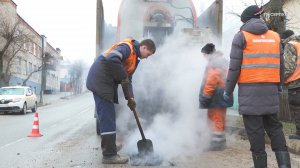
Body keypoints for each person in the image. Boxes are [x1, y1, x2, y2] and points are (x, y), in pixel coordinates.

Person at [223, 5, 291, 168]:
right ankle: (284, 165)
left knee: (255, 133)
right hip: (270, 92)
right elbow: (280, 64)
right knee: (275, 129)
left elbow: (234, 68)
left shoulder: (241, 37)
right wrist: (280, 84)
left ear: (245, 21)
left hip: (249, 94)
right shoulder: (275, 37)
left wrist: (228, 91)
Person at [86, 38, 156, 164]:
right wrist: (123, 76)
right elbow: (112, 57)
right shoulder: (127, 47)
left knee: (110, 117)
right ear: (144, 47)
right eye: (148, 54)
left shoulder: (134, 59)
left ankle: (110, 147)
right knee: (108, 117)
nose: (147, 57)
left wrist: (131, 98)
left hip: (105, 82)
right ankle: (109, 155)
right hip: (101, 80)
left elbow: (127, 80)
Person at [199, 43, 233, 151]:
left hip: (216, 95)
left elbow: (211, 81)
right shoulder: (222, 61)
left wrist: (205, 96)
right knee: (221, 118)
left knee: (215, 118)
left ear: (208, 54)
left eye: (204, 55)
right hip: (224, 93)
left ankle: (216, 144)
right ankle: (221, 141)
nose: (203, 57)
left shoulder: (215, 63)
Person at [281, 30, 300, 140]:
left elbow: (289, 67)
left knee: (296, 109)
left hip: (296, 83)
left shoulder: (290, 45)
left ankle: (299, 133)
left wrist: (280, 80)